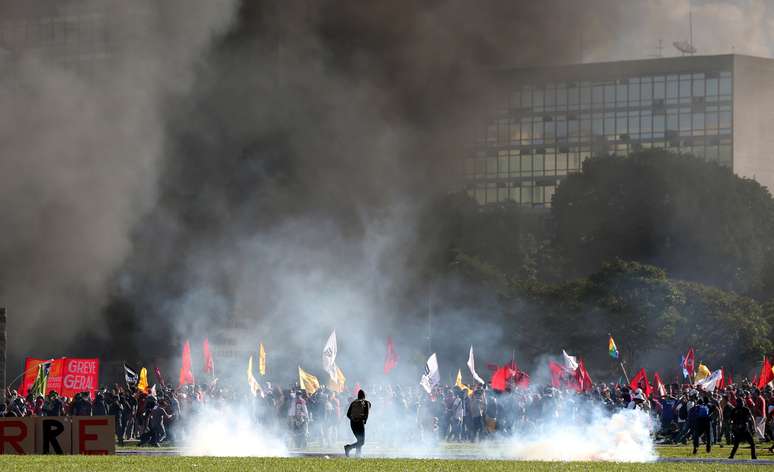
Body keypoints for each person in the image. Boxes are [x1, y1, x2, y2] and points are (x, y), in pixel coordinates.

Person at [728, 392, 757, 460]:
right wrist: (733, 426)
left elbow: (751, 417)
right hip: (738, 429)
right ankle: (731, 456)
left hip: (745, 429)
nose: (740, 403)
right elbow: (731, 420)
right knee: (736, 444)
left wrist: (754, 426)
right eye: (739, 402)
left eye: (741, 402)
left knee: (752, 443)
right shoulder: (734, 410)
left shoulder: (745, 409)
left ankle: (753, 456)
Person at [344, 389, 371, 457]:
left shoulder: (353, 402)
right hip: (360, 423)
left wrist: (353, 419)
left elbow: (348, 414)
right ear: (364, 396)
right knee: (362, 442)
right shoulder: (366, 402)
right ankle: (348, 448)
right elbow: (367, 413)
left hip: (352, 423)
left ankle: (358, 455)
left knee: (359, 440)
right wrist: (364, 421)